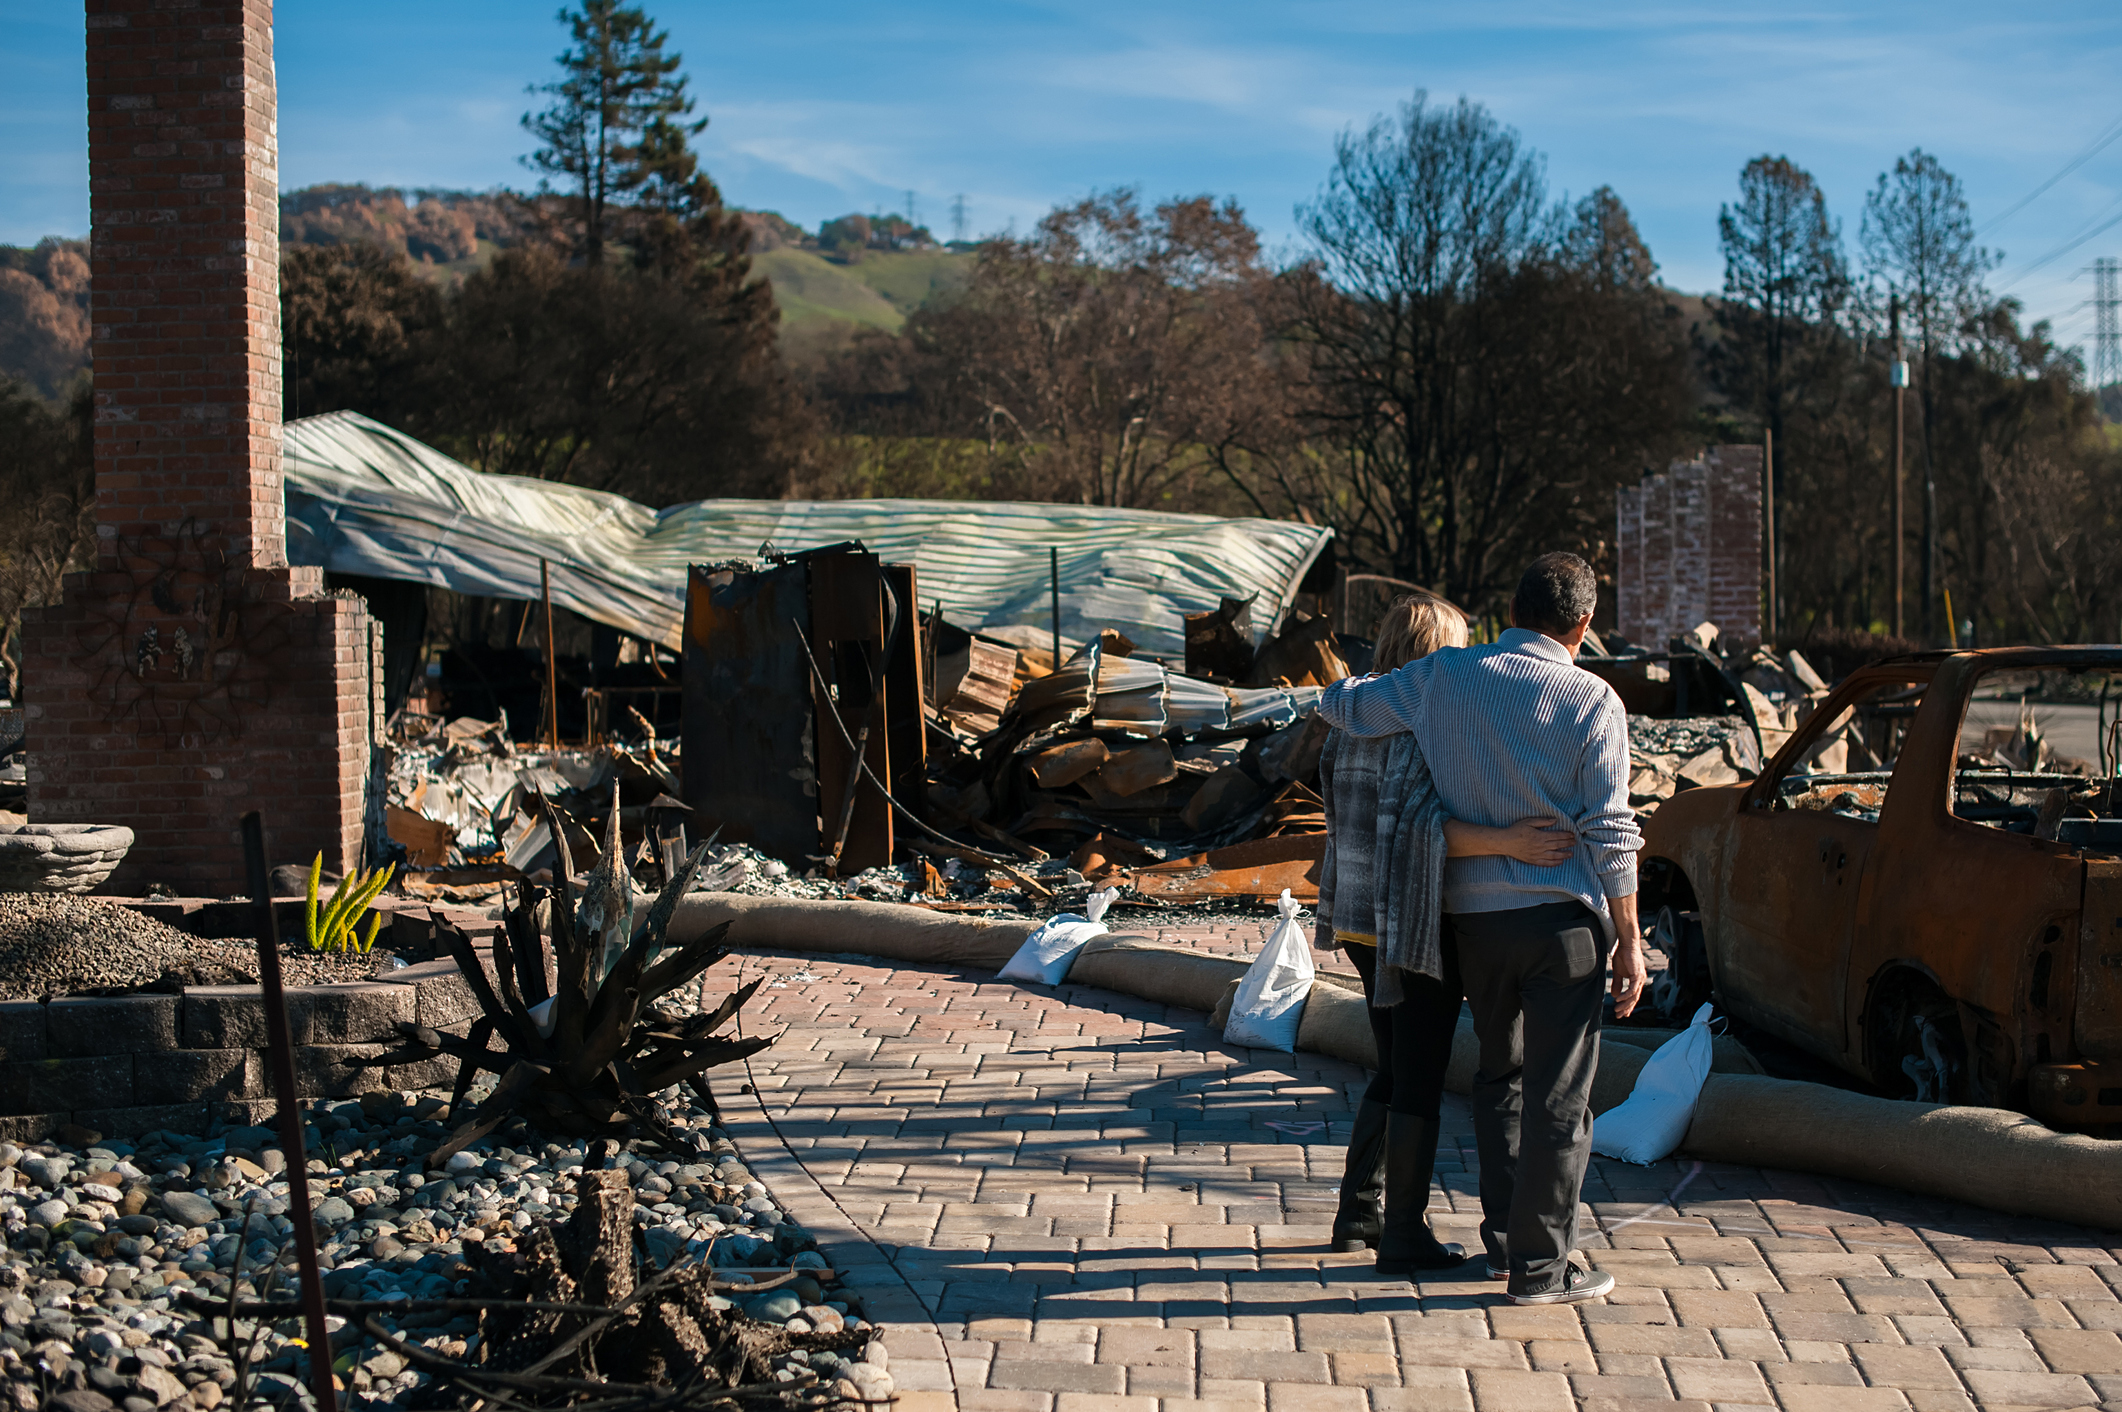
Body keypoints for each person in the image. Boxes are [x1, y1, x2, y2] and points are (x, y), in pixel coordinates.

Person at [1317, 553, 1645, 1306]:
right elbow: (1611, 829)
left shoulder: (1443, 678)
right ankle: (1541, 1267)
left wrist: (1349, 688)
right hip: (1563, 928)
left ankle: (1503, 1243)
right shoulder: (1592, 699)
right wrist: (1629, 937)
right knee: (1560, 1097)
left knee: (1500, 1079)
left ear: (1512, 607)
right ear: (1584, 626)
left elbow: (1343, 706)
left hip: (1471, 928)